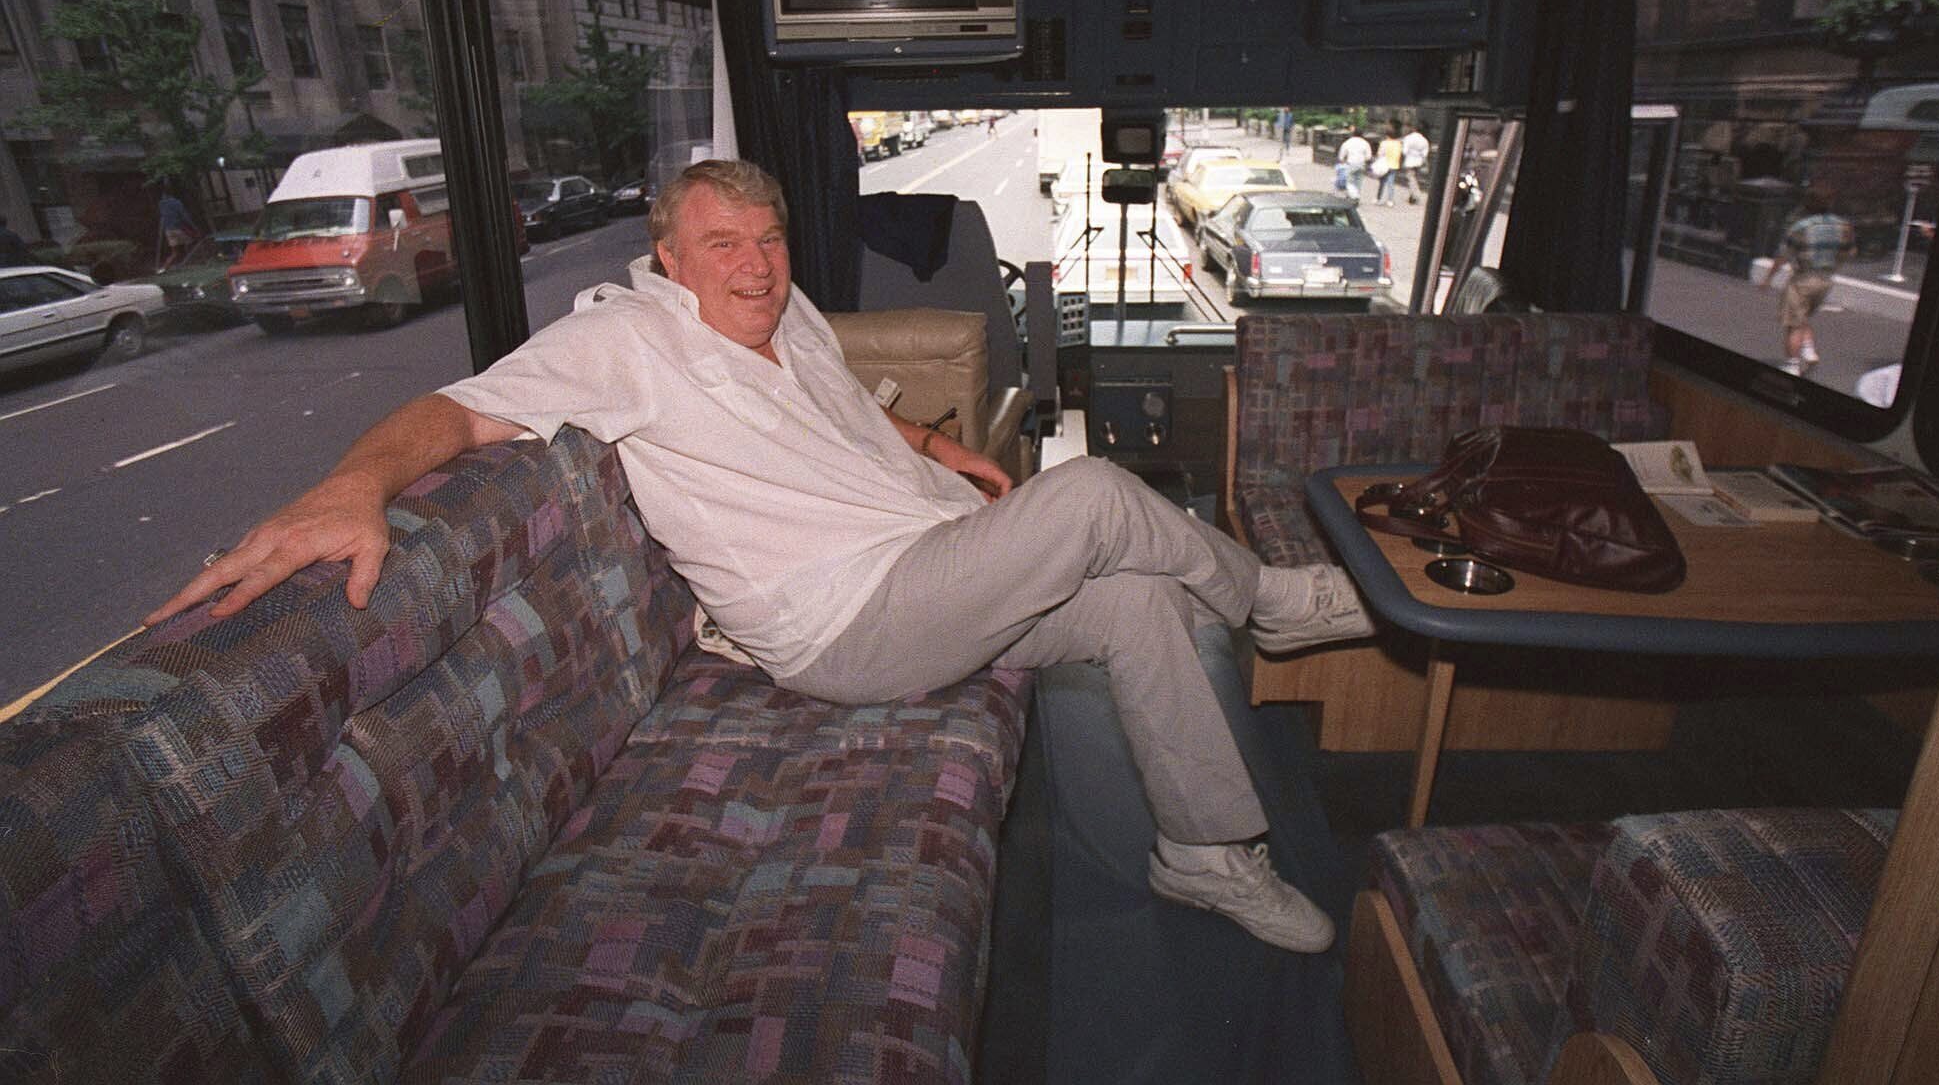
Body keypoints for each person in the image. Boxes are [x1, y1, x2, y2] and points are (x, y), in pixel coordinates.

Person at [146, 158, 1373, 954]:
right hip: (844, 626)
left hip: (924, 562)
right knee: (1097, 492)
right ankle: (1270, 603)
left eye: (769, 236)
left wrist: (924, 443)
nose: (755, 262)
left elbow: (830, 404)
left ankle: (1207, 851)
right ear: (669, 258)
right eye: (721, 243)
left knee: (1131, 603)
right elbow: (459, 413)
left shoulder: (785, 313)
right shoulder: (627, 341)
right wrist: (353, 484)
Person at [1760, 189, 1855, 375]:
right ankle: (1808, 350)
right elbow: (1849, 252)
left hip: (1803, 279)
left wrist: (1768, 278)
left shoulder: (1801, 227)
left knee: (1792, 324)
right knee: (1802, 316)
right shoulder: (1844, 227)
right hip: (1826, 280)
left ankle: (1792, 365)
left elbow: (1783, 256)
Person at [159, 190, 198, 267]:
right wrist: (194, 227)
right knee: (190, 244)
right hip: (178, 228)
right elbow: (184, 216)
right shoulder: (176, 202)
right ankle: (190, 263)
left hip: (168, 230)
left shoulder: (161, 204)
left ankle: (163, 268)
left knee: (174, 253)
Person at [1373, 121, 1405, 204]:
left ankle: (1378, 198)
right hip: (1394, 165)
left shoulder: (1384, 143)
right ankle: (1390, 200)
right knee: (1391, 183)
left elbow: (1380, 154)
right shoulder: (1398, 144)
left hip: (1385, 165)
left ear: (1387, 135)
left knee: (1382, 183)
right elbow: (1400, 154)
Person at [1336, 126, 1371, 200]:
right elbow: (1369, 156)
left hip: (1350, 163)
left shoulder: (1348, 142)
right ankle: (1356, 195)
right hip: (1361, 164)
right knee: (1358, 181)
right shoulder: (1365, 143)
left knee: (1349, 182)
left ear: (1352, 133)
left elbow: (1341, 156)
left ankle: (1353, 196)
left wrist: (1342, 161)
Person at [1400, 123, 1430, 206]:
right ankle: (1412, 197)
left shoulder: (1408, 138)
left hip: (1410, 161)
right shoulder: (1424, 140)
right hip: (1419, 162)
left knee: (1411, 178)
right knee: (1415, 178)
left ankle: (1416, 194)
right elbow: (1425, 154)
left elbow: (1404, 151)